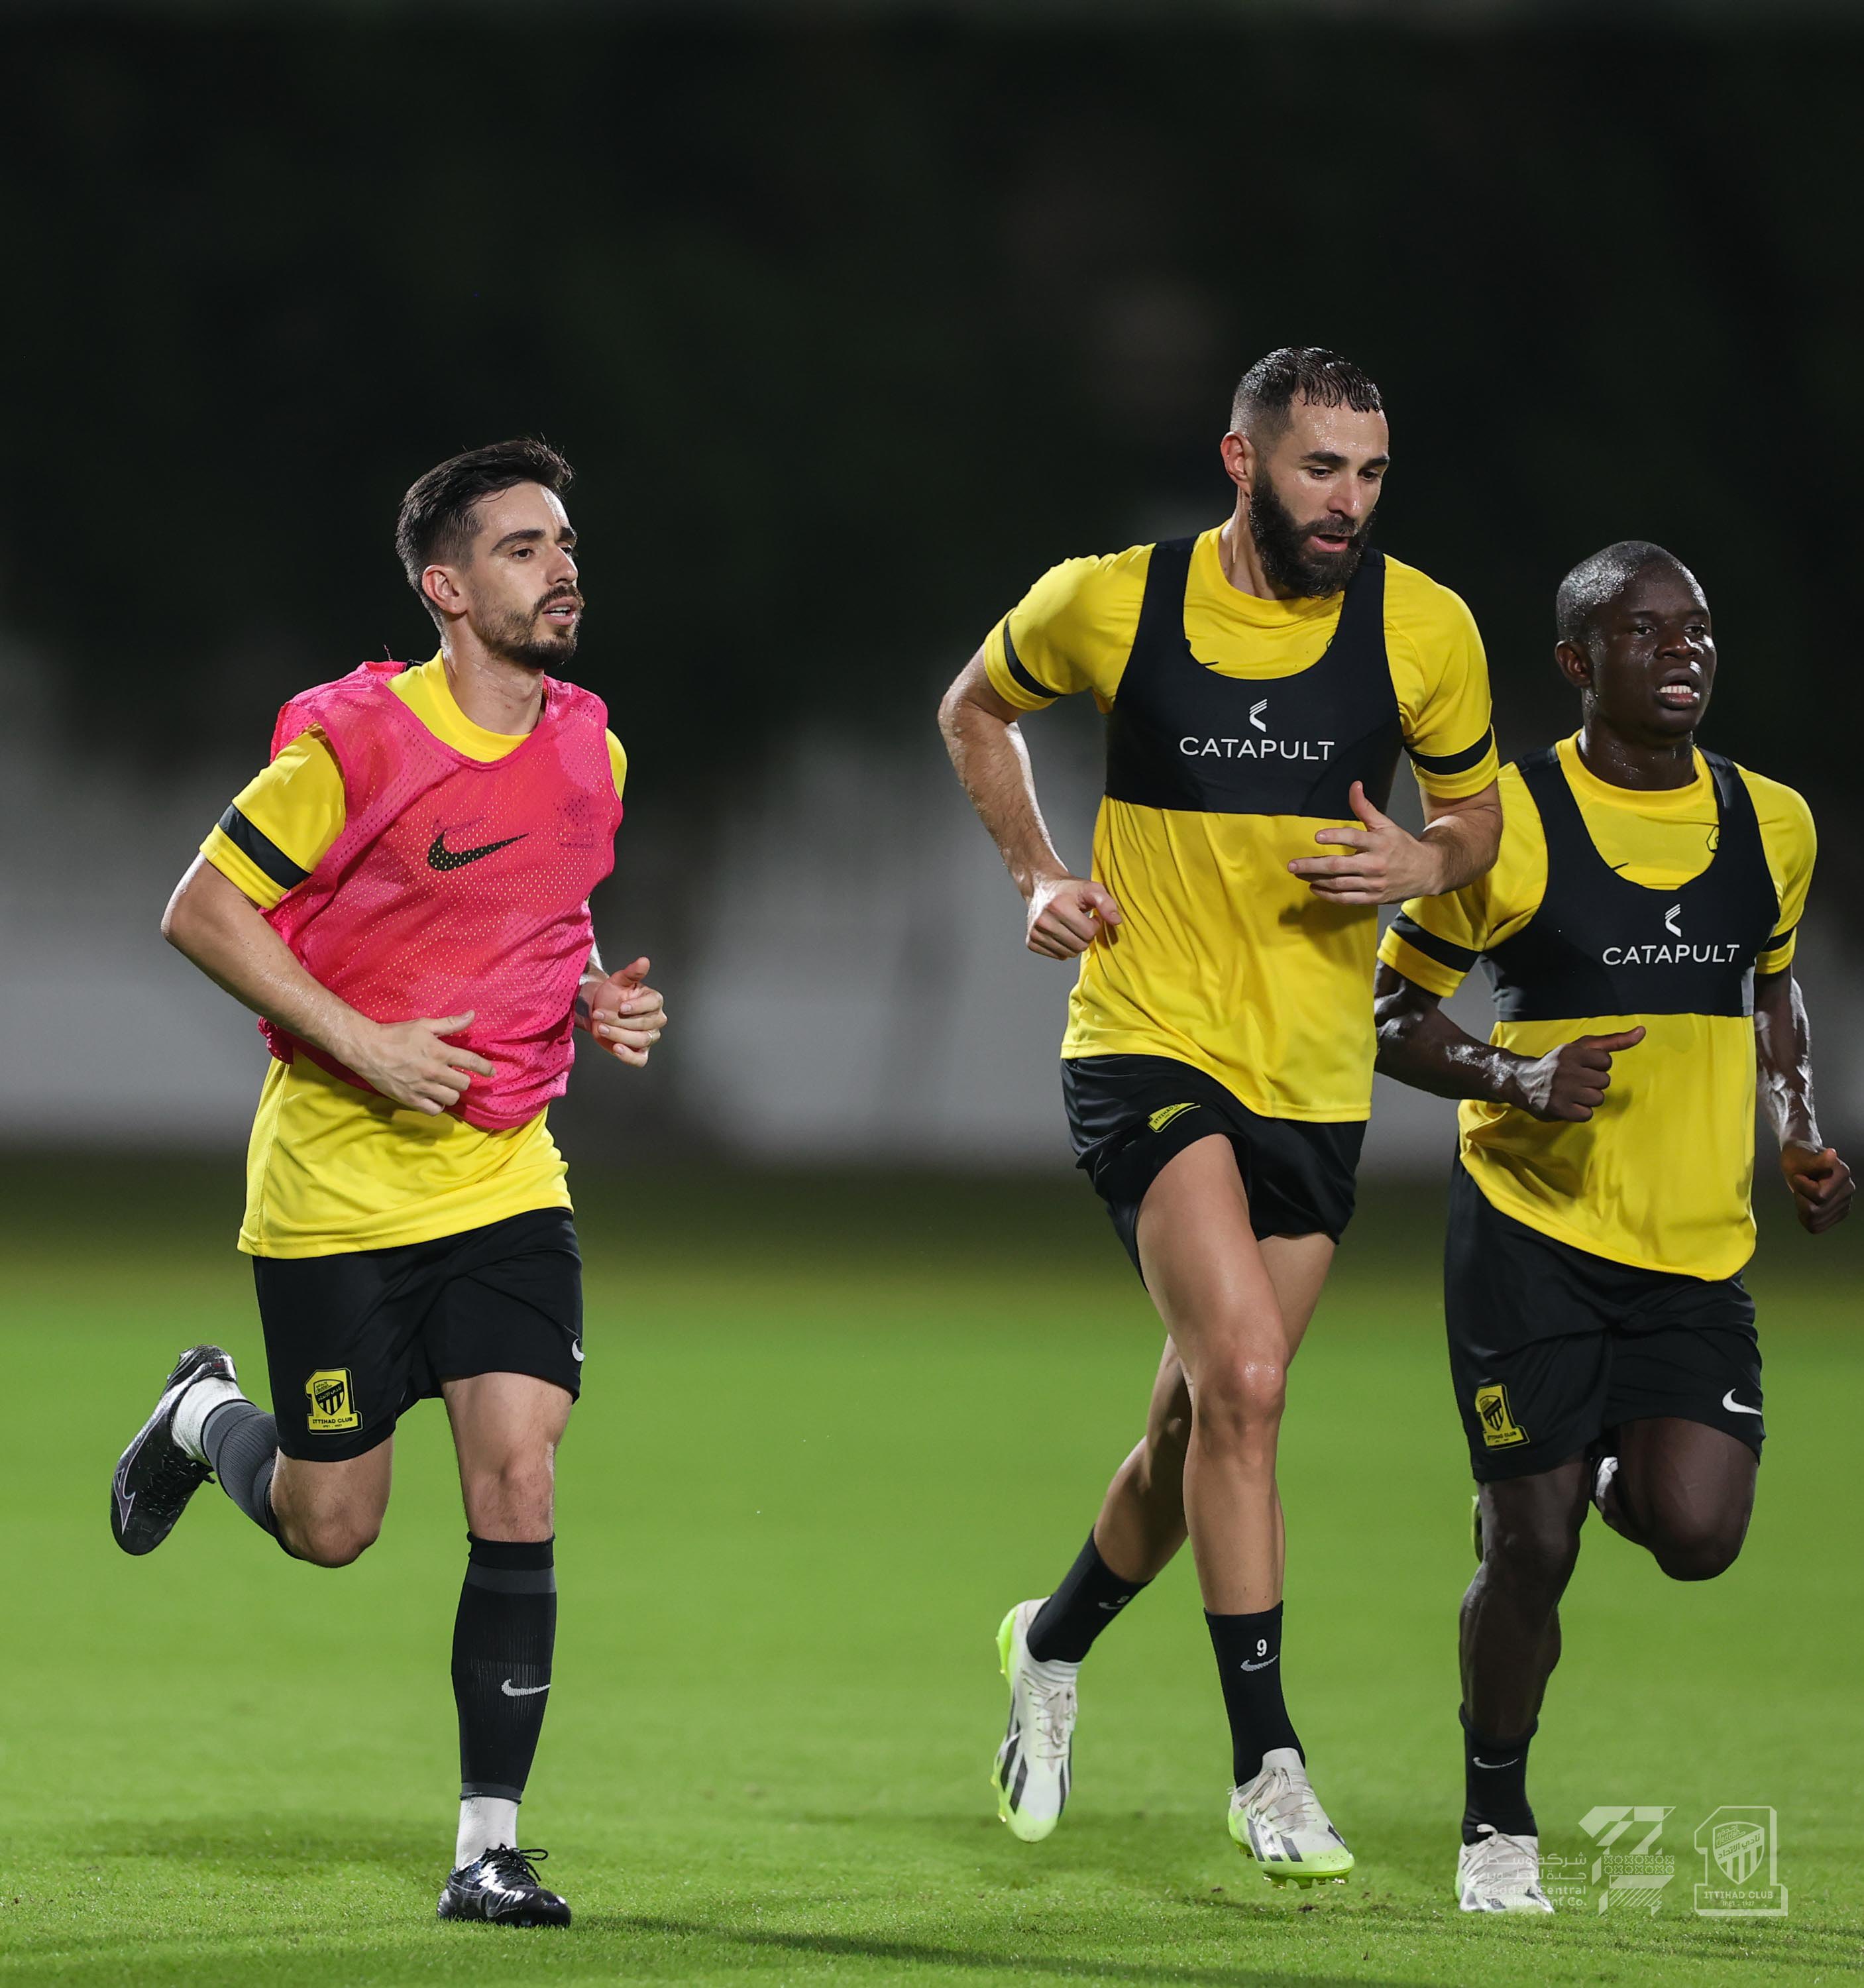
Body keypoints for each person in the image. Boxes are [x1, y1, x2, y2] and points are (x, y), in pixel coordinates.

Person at [938, 348, 1502, 1880]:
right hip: (1148, 1043)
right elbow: (974, 711)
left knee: (1197, 1422)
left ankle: (1048, 1650)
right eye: (1323, 469)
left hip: (1314, 1082)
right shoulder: (1111, 599)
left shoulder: (1425, 629)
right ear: (1245, 463)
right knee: (1248, 1377)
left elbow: (1480, 817)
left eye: (1373, 473)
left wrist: (1426, 867)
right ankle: (1268, 1767)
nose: (1351, 503)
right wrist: (1039, 874)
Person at [110, 439, 667, 1928]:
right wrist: (362, 1038)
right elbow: (201, 908)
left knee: (521, 1475)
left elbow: (550, 900)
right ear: (444, 587)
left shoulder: (593, 747)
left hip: (501, 1175)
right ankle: (201, 1413)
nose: (561, 569)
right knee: (332, 1525)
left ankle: (488, 1847)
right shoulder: (354, 744)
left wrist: (593, 1001)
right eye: (521, 549)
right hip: (336, 1194)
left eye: (563, 541)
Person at [1374, 540, 1852, 1914]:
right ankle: (1495, 1820)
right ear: (1580, 665)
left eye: (1697, 629)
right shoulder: (1505, 826)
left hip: (1697, 1248)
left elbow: (1775, 992)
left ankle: (1588, 1468)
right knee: (1526, 1552)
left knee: (1699, 1534)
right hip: (1532, 1235)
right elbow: (1394, 1015)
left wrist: (1799, 1128)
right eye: (1646, 634)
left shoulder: (1775, 822)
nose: (1684, 651)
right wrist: (1516, 1076)